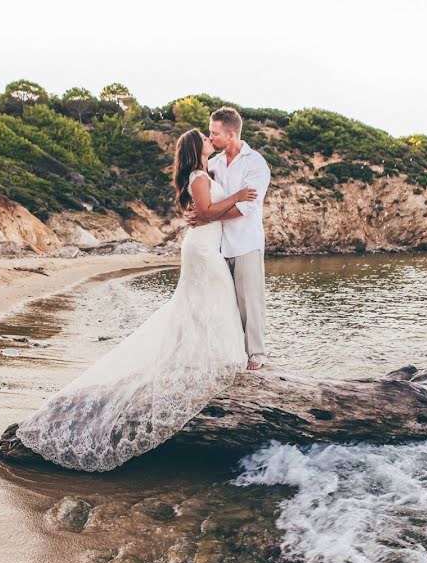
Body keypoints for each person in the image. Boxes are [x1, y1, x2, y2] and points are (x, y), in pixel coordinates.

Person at [14, 129, 256, 472]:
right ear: (194, 147)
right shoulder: (199, 175)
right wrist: (236, 200)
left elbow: (209, 212)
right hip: (202, 249)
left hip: (203, 245)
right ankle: (213, 357)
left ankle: (207, 355)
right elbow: (205, 210)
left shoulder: (208, 172)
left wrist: (236, 205)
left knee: (206, 303)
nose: (208, 140)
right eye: (203, 138)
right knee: (214, 300)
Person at [186, 107, 270, 370]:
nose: (210, 138)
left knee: (249, 301)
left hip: (245, 242)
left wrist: (207, 217)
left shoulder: (255, 164)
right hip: (217, 244)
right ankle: (230, 353)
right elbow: (201, 197)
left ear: (231, 134)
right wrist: (193, 212)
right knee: (224, 303)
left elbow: (246, 208)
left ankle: (256, 354)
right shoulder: (213, 164)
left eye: (214, 133)